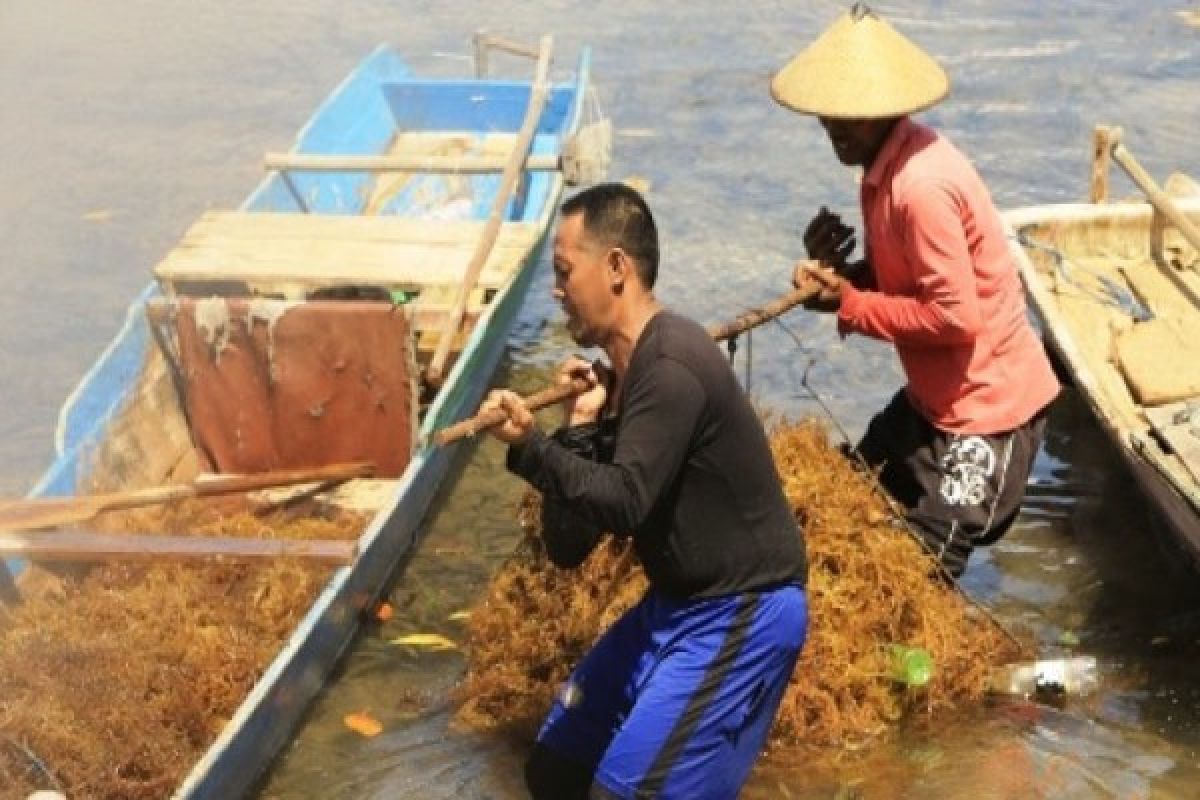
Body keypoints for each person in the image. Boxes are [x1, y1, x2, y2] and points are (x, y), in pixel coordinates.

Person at [479, 182, 808, 800]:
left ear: (617, 268)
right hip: (676, 607)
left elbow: (627, 502)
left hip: (741, 610)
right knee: (556, 768)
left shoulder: (672, 363)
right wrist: (577, 428)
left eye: (564, 272)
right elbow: (568, 545)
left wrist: (529, 449)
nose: (556, 290)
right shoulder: (624, 381)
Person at [770, 4, 1060, 578]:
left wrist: (851, 306)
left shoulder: (920, 186)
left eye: (850, 116)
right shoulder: (883, 172)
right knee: (846, 491)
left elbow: (955, 318)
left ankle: (913, 665)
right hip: (933, 404)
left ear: (887, 112)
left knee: (926, 567)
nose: (834, 126)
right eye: (829, 113)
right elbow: (899, 281)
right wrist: (840, 276)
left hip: (986, 414)